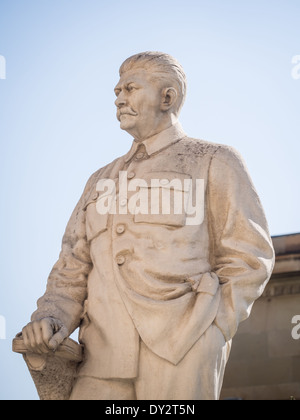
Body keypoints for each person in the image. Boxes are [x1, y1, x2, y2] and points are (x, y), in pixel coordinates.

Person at [21, 52, 275, 400]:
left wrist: (212, 329)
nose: (119, 98)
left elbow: (250, 256)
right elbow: (71, 269)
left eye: (130, 88)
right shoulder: (98, 180)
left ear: (167, 97)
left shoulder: (214, 160)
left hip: (183, 348)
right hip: (100, 359)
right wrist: (51, 318)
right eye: (116, 91)